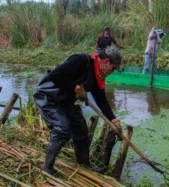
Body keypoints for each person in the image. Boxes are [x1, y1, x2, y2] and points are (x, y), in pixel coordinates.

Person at [33, 46, 123, 175]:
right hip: (48, 97)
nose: (112, 72)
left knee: (81, 130)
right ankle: (47, 168)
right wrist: (75, 87)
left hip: (65, 101)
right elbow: (55, 75)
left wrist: (113, 119)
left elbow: (102, 100)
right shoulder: (81, 60)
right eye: (113, 68)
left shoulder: (98, 76)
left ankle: (84, 165)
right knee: (62, 128)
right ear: (107, 61)